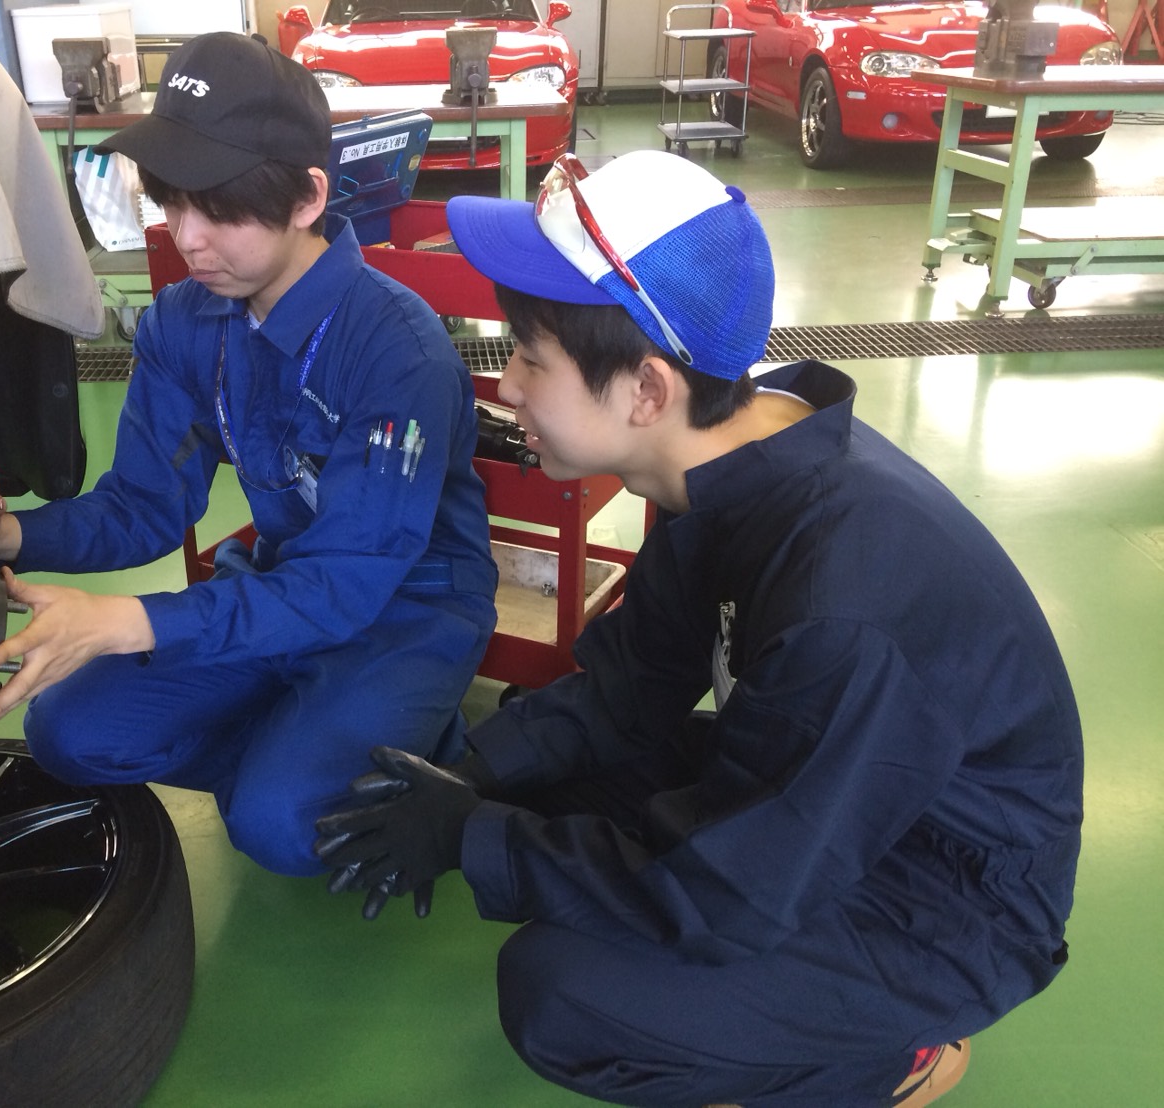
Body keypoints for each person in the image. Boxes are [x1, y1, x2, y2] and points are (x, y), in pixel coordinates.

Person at [315, 150, 1082, 1107]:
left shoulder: (839, 598)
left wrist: (475, 839)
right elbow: (630, 687)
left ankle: (893, 1055)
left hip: (944, 897)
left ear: (647, 390)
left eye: (530, 358)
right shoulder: (727, 463)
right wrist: (468, 778)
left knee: (559, 994)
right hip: (853, 797)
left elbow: (724, 897)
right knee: (546, 767)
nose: (507, 387)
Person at [0, 32, 497, 878]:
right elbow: (143, 507)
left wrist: (133, 621)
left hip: (407, 607)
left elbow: (345, 585)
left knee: (285, 830)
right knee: (68, 733)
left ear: (307, 197)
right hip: (281, 583)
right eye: (170, 202)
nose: (187, 238)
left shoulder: (397, 351)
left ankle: (404, 742)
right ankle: (295, 749)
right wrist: (4, 537)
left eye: (217, 209)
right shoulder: (185, 323)